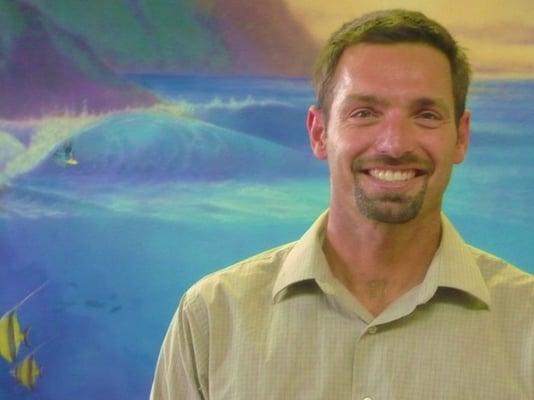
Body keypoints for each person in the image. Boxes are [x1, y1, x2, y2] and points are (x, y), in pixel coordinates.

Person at [151, 9, 534, 399]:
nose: (395, 144)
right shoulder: (213, 318)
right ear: (319, 134)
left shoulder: (527, 323)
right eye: (364, 113)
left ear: (461, 137)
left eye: (426, 115)